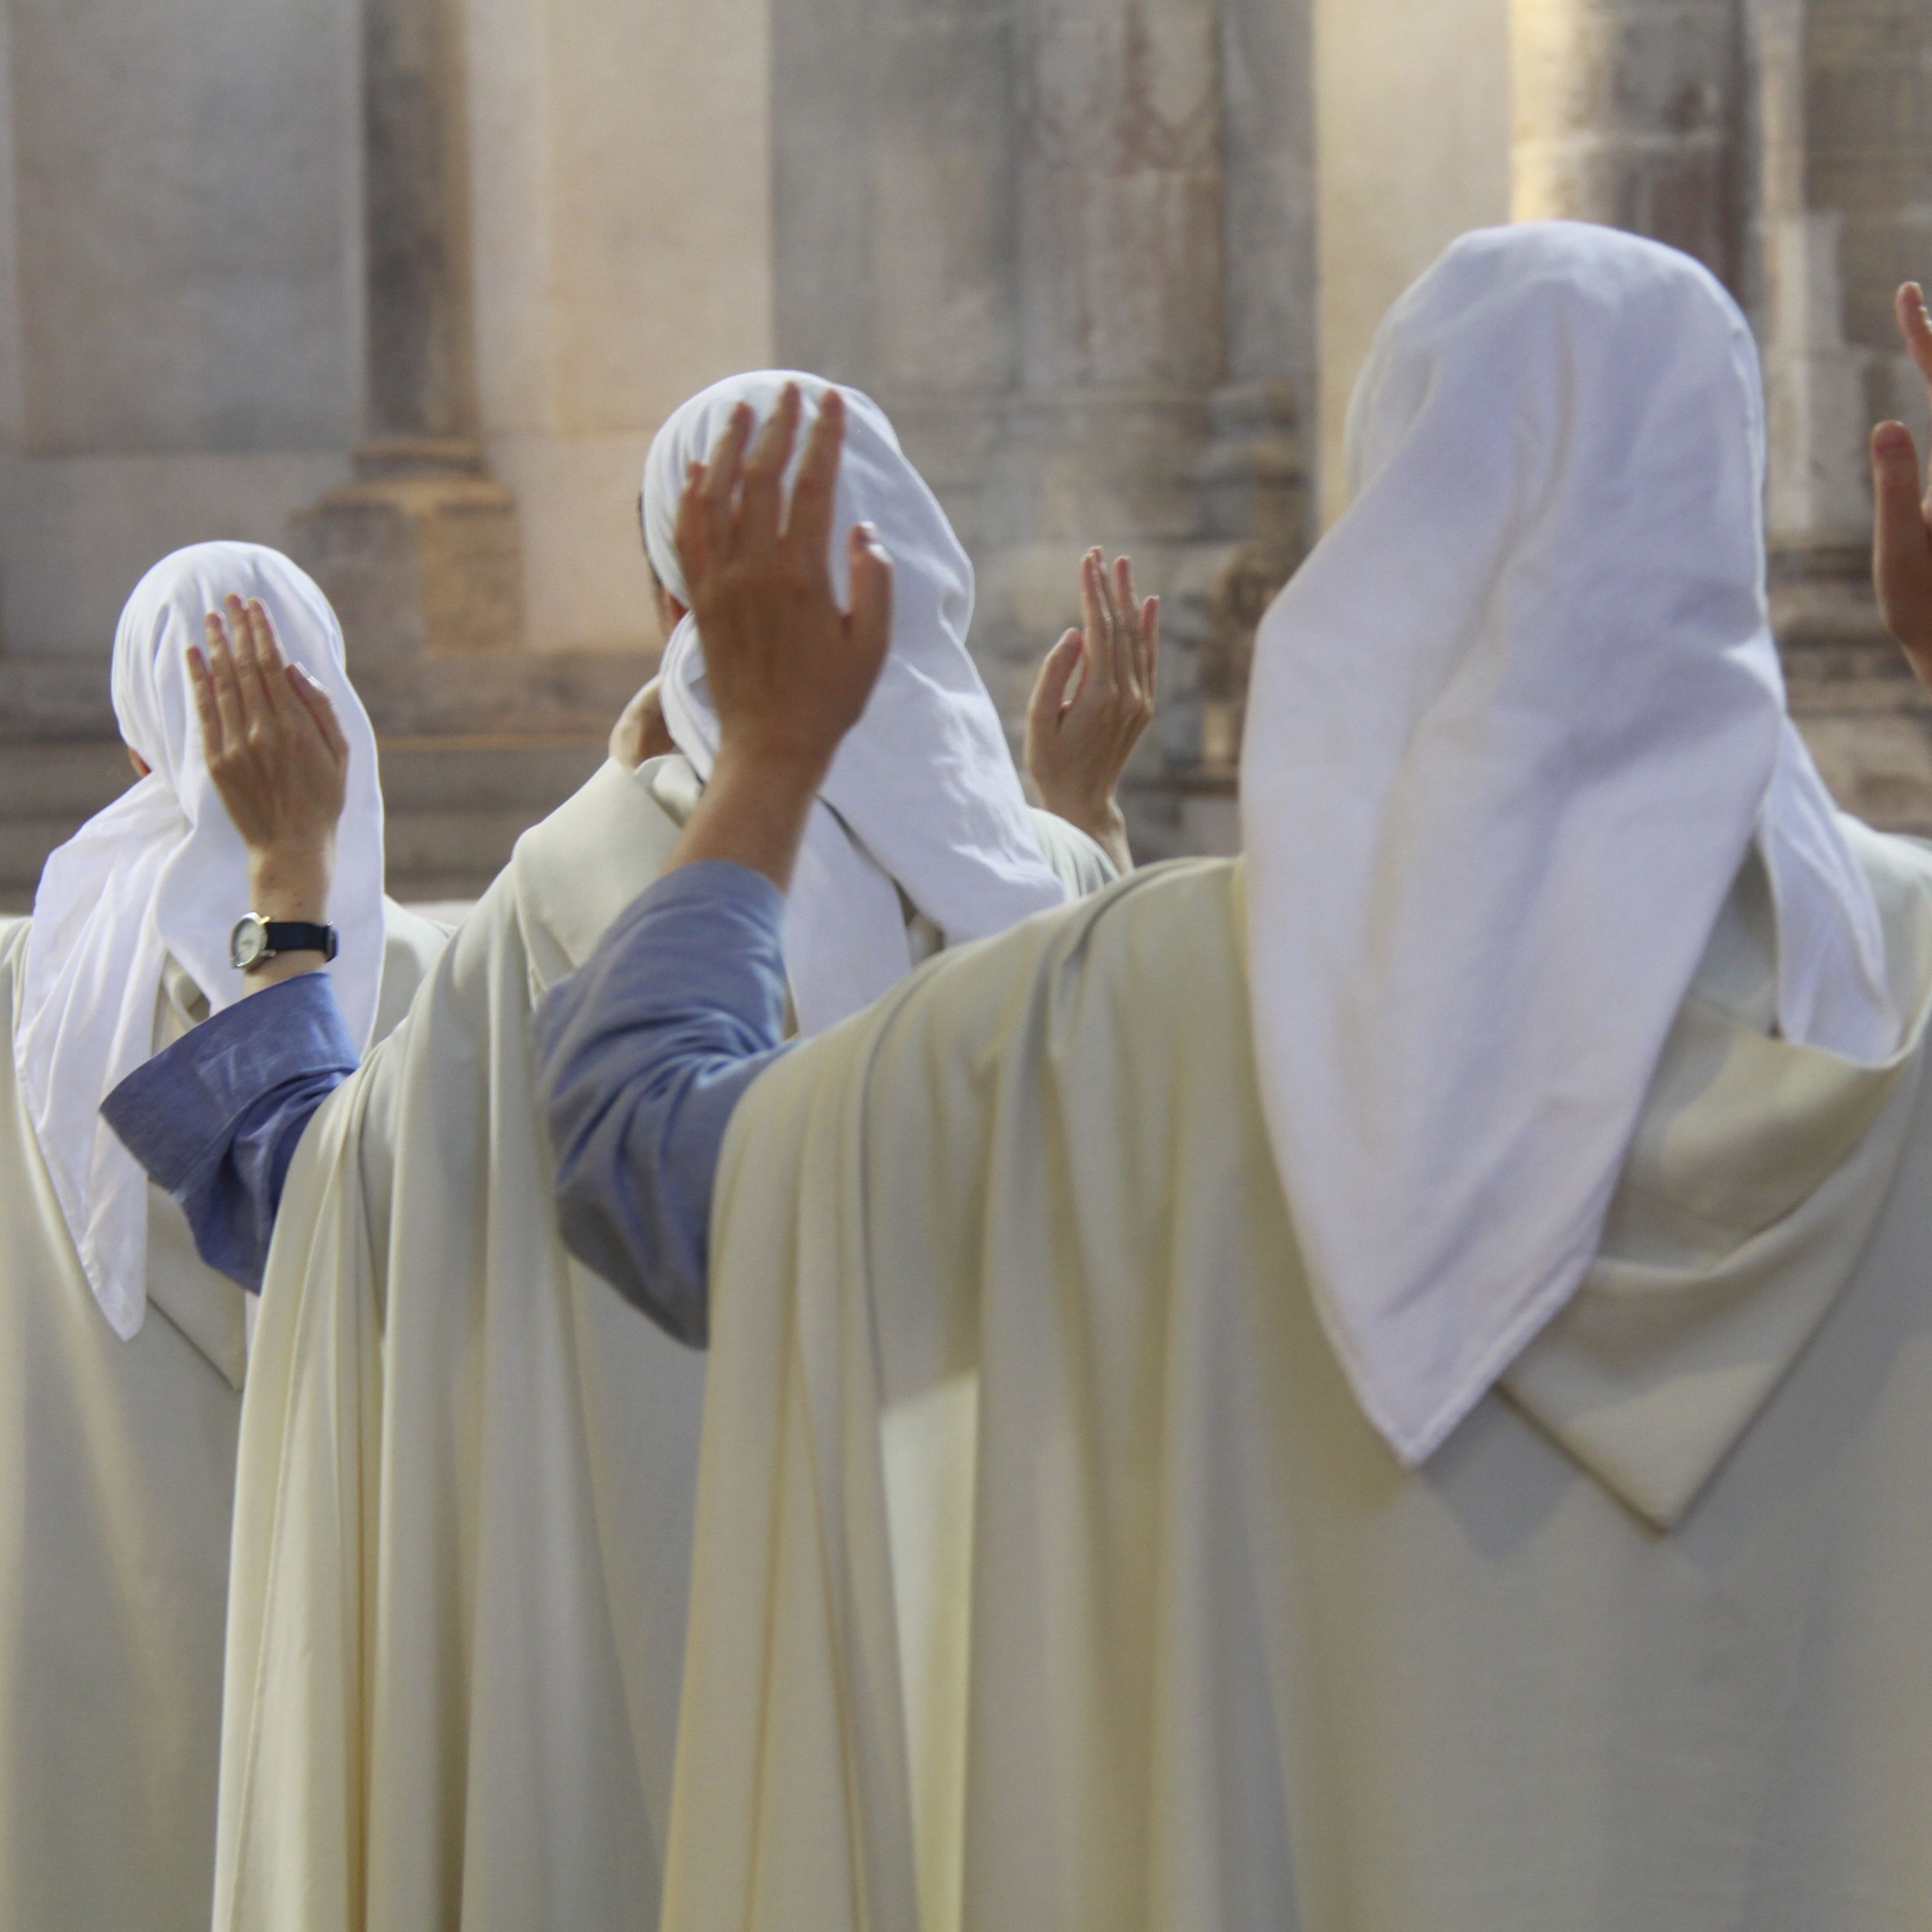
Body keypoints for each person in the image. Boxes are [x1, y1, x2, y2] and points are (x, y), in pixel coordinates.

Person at [534, 225, 1932, 1932]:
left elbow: (657, 1177)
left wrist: (764, 760)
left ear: (1394, 505)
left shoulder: (1144, 1009)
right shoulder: (1906, 979)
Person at [106, 373, 1155, 1931]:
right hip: (993, 1706)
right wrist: (1076, 806)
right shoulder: (1068, 892)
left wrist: (284, 884)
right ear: (903, 572)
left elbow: (321, 1220)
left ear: (676, 601)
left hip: (656, 1721)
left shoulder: (580, 893)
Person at [0, 543, 444, 1932]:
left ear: (139, 742)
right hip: (337, 1611)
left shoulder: (27, 980)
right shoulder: (423, 979)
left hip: (71, 1617)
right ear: (334, 719)